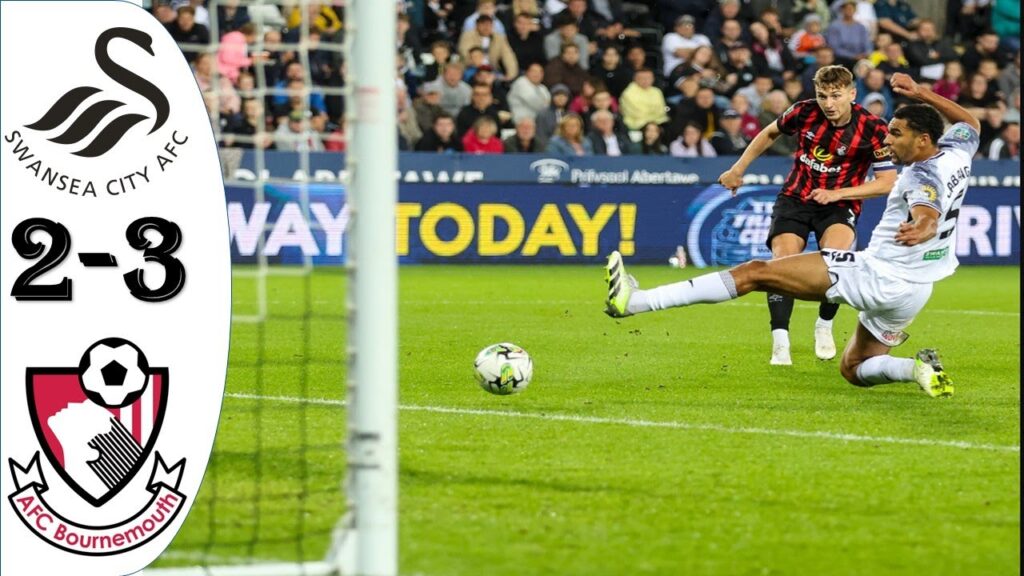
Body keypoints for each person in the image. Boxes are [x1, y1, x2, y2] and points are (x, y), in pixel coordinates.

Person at [604, 72, 981, 398]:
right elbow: (972, 124)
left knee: (755, 272)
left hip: (878, 275)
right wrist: (921, 94)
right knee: (854, 368)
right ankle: (916, 369)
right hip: (917, 289)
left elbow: (926, 207)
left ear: (923, 141)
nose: (887, 141)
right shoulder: (957, 151)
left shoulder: (920, 176)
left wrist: (924, 225)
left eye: (897, 134)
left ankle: (635, 302)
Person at [716, 64, 898, 366]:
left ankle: (824, 325)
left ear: (852, 94)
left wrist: (837, 194)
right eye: (822, 95)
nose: (828, 103)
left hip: (839, 203)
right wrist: (738, 169)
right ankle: (780, 342)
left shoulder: (873, 128)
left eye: (835, 96)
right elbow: (770, 131)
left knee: (835, 260)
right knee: (781, 265)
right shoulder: (804, 111)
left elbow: (886, 182)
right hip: (796, 198)